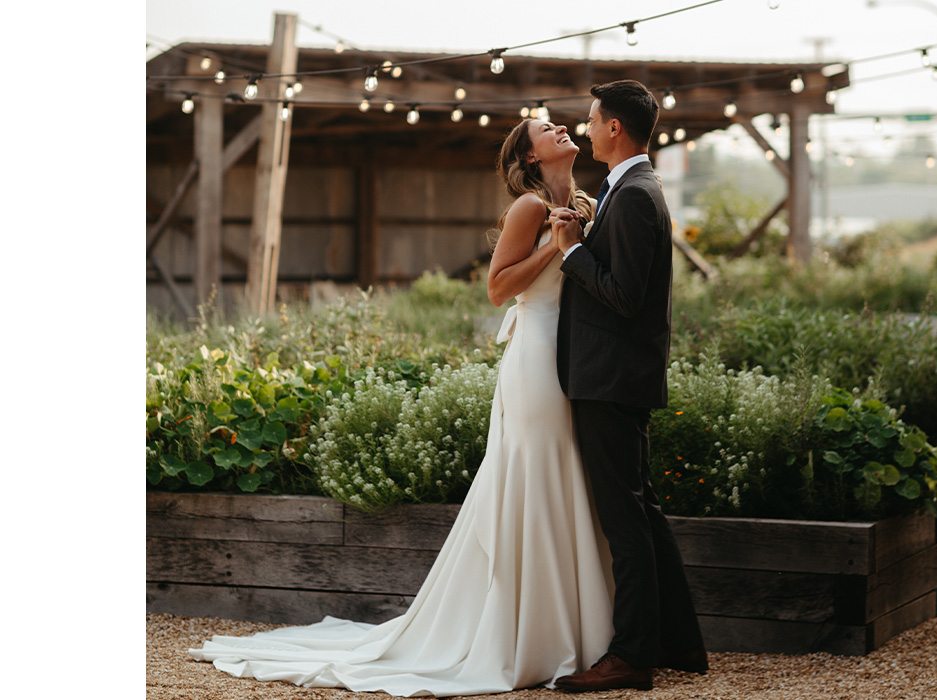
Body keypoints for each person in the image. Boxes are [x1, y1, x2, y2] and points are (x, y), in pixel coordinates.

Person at [186, 118, 617, 696]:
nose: (563, 128)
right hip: (537, 358)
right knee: (536, 478)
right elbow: (497, 288)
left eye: (562, 124)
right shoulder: (530, 210)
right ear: (531, 158)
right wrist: (555, 250)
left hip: (577, 356)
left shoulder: (590, 202)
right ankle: (530, 635)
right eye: (547, 128)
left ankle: (581, 627)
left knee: (569, 479)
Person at [547, 79, 708, 693]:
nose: (586, 128)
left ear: (615, 127)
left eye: (591, 119)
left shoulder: (637, 194)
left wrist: (571, 251)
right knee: (641, 509)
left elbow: (622, 295)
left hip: (612, 380)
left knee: (625, 521)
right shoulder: (627, 189)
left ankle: (632, 656)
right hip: (614, 377)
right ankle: (678, 642)